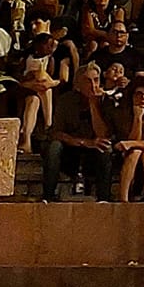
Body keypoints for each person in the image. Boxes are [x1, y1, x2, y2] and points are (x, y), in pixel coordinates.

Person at [41, 62, 113, 201]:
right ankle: (48, 196)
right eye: (88, 81)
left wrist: (93, 105)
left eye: (96, 80)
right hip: (71, 149)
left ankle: (104, 198)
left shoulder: (106, 101)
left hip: (93, 153)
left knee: (106, 148)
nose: (93, 85)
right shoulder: (66, 100)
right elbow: (56, 132)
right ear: (78, 84)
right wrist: (83, 142)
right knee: (54, 147)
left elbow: (103, 134)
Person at [112, 74, 144, 201]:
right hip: (127, 156)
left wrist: (130, 144)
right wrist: (138, 118)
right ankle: (123, 199)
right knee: (135, 152)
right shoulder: (122, 115)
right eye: (139, 94)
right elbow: (130, 140)